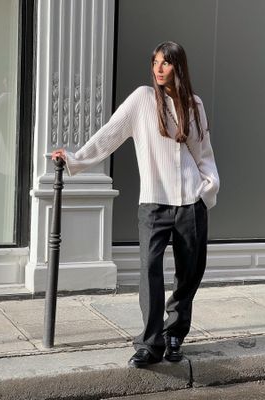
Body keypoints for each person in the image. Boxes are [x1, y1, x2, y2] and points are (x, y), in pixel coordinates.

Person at [52, 41, 220, 368]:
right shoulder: (142, 99)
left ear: (178, 67)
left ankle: (175, 333)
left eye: (165, 63)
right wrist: (74, 159)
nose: (158, 68)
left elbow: (204, 154)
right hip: (154, 205)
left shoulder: (194, 104)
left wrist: (208, 188)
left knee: (190, 272)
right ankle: (149, 343)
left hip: (190, 201)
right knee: (149, 272)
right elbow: (109, 134)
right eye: (155, 61)